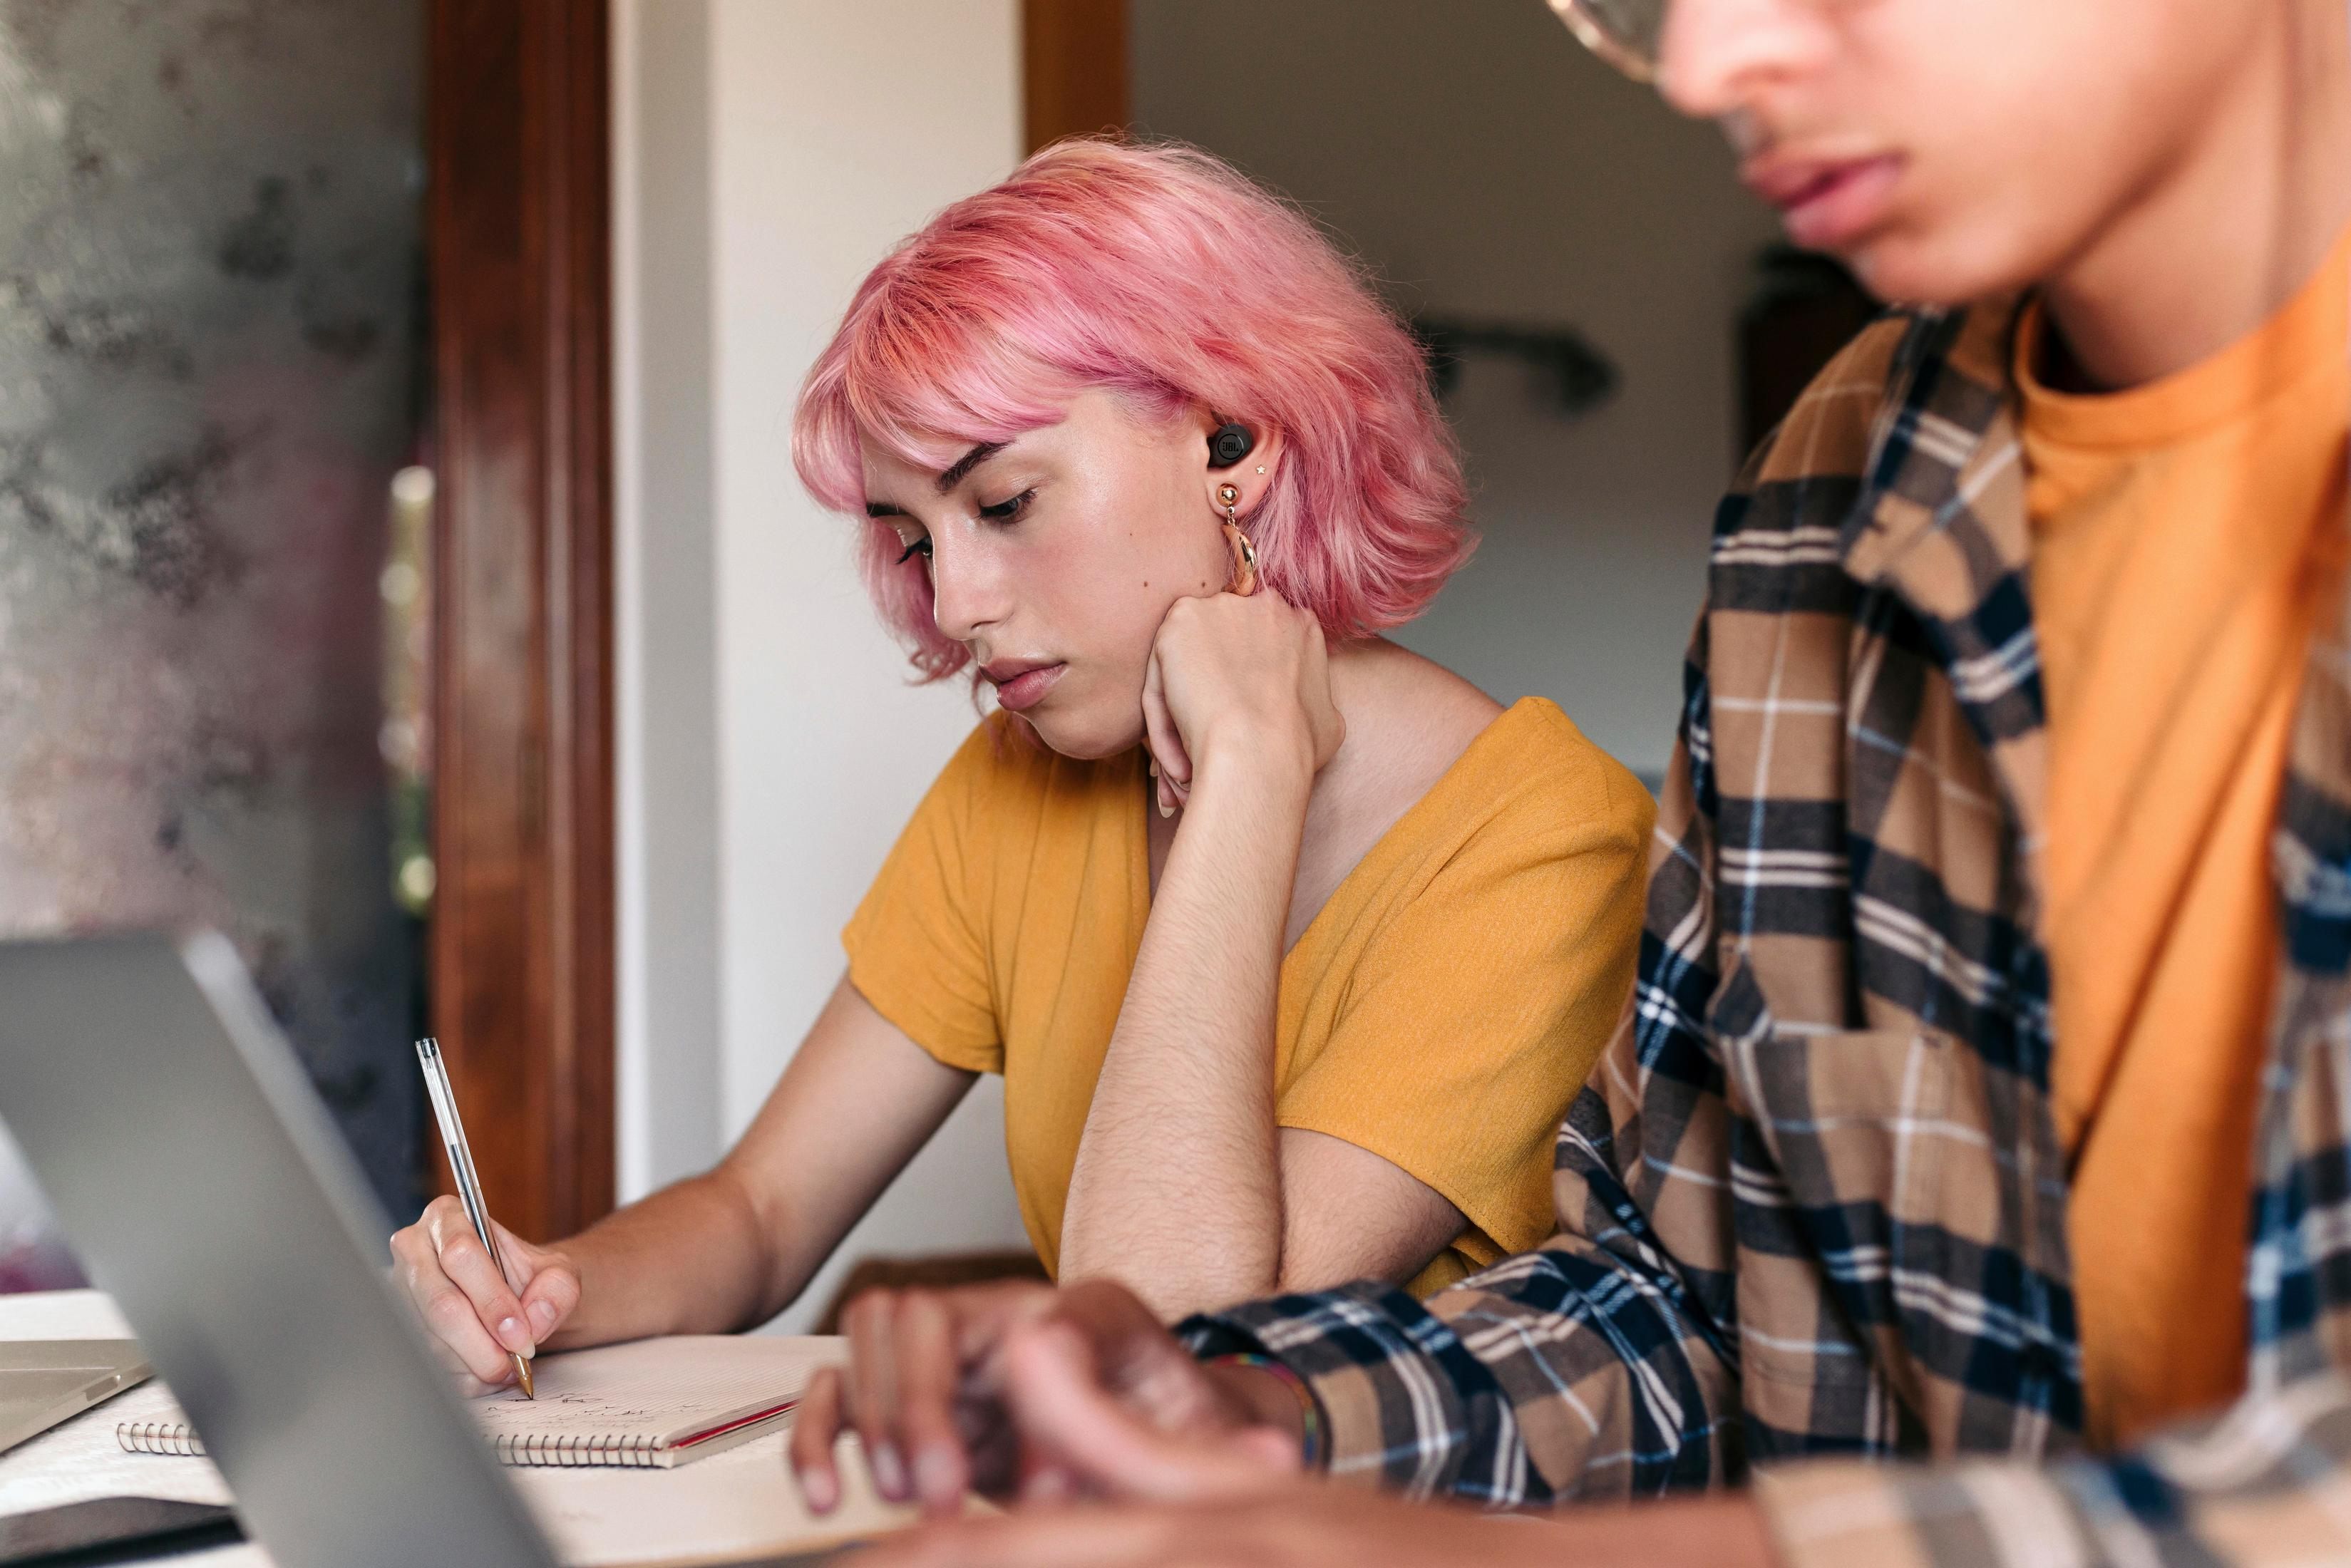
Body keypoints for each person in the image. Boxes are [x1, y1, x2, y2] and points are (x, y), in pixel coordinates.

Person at [788, 0, 2351, 1562]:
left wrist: (1404, 1550)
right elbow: (1678, 1298)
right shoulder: (1834, 490)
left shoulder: (1528, 827)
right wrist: (1264, 1413)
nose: (1701, 68)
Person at [388, 143, 1653, 1408]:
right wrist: (543, 1285)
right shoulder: (1020, 781)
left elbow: (1179, 1343)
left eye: (1001, 504)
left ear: (1235, 443)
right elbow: (761, 1211)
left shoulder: (1548, 840)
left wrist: (1252, 772)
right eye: (913, 541)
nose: (956, 602)